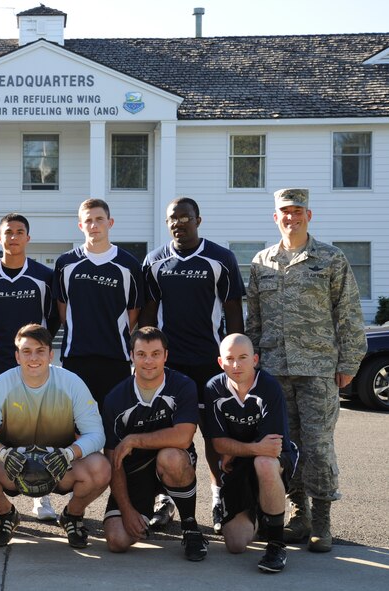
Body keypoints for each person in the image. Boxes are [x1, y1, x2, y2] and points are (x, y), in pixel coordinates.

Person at [246, 188, 366, 553]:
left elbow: (348, 313)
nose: (291, 217)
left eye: (298, 211)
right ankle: (300, 514)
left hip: (317, 370)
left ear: (308, 216)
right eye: (285, 211)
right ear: (275, 217)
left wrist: (348, 363)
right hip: (274, 371)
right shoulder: (261, 262)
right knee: (287, 445)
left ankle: (323, 521)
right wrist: (252, 368)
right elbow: (254, 321)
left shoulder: (330, 259)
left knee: (318, 445)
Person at [141, 197, 245, 532]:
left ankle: (220, 497)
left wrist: (237, 363)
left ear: (198, 219)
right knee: (171, 438)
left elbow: (233, 315)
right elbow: (147, 317)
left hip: (210, 365)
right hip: (170, 368)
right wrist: (145, 360)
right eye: (173, 217)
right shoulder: (155, 260)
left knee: (215, 437)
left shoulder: (220, 258)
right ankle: (168, 500)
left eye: (185, 216)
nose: (179, 222)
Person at [0, 324, 110, 549]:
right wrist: (3, 454)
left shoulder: (72, 383)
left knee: (101, 468)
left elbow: (96, 434)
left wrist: (69, 454)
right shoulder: (1, 384)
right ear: (17, 355)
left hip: (60, 465)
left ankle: (73, 515)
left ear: (51, 354)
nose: (33, 357)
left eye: (40, 350)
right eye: (26, 351)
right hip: (14, 465)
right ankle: (6, 515)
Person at [0, 212, 59, 522]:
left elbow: (54, 319)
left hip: (35, 361)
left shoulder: (43, 276)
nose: (14, 236)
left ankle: (42, 495)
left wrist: (37, 351)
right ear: (0, 238)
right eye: (8, 232)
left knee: (39, 423)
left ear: (28, 238)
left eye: (20, 232)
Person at [102, 327, 208, 561]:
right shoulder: (115, 398)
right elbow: (113, 459)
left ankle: (190, 527)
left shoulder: (182, 385)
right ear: (131, 355)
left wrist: (134, 439)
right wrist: (127, 510)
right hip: (135, 471)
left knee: (171, 456)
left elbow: (183, 437)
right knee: (117, 541)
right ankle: (146, 505)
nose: (148, 361)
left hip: (170, 461)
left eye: (155, 354)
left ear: (166, 355)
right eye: (141, 354)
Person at [202, 333, 299, 573]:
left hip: (272, 459)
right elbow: (218, 444)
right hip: (241, 463)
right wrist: (241, 449)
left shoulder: (268, 386)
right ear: (220, 362)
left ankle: (276, 545)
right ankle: (262, 515)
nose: (236, 365)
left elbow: (272, 447)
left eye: (243, 357)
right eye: (230, 358)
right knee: (235, 544)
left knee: (264, 463)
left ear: (255, 359)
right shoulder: (214, 388)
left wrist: (236, 449)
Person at [53, 198, 142, 406]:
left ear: (110, 223)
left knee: (113, 420)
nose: (94, 225)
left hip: (115, 357)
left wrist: (114, 332)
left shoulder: (128, 265)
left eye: (99, 219)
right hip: (76, 356)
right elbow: (63, 307)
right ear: (80, 226)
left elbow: (134, 309)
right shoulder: (65, 263)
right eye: (88, 220)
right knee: (77, 420)